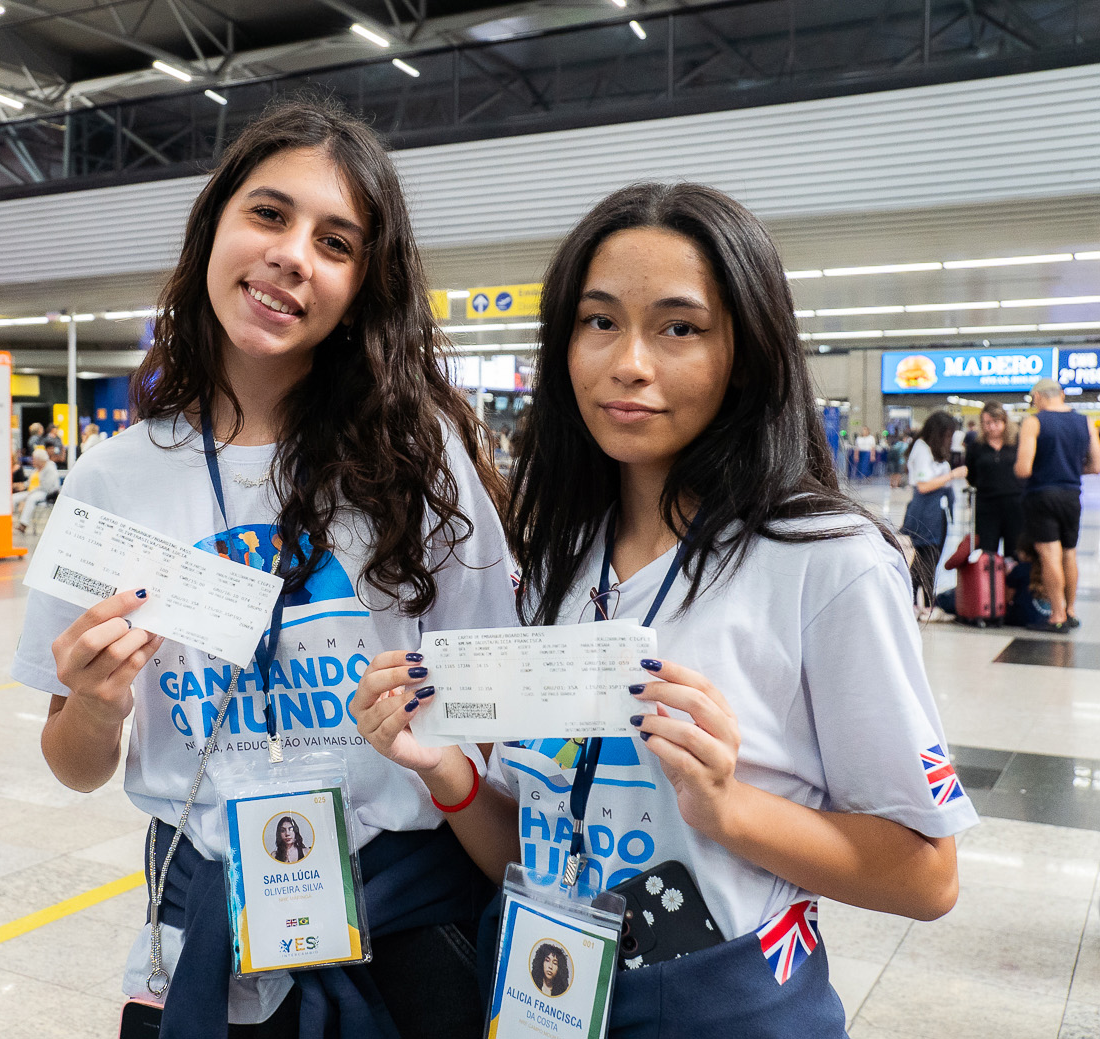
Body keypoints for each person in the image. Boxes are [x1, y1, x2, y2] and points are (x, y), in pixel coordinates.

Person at [356, 183, 973, 1037]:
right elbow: (527, 853)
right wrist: (446, 772)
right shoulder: (556, 567)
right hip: (544, 993)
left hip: (724, 1005)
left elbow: (925, 875)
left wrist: (726, 807)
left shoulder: (826, 562)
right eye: (598, 321)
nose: (628, 362)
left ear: (745, 351)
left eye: (679, 327)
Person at [10, 96, 518, 1039]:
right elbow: (75, 765)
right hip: (203, 927)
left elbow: (497, 717)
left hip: (412, 932)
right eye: (269, 214)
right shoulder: (114, 480)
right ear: (215, 228)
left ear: (362, 286)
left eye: (337, 242)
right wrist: (97, 704)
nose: (292, 253)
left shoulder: (425, 464)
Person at [1014, 378, 1100, 632]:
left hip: (1042, 496)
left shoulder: (1035, 421)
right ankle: (1071, 611)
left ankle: (1057, 615)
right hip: (1072, 495)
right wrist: (1070, 470)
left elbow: (1023, 468)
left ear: (1038, 397)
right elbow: (1096, 466)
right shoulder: (1085, 422)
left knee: (1050, 555)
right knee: (1069, 553)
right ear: (1061, 395)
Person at [901, 412, 966, 616]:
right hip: (925, 509)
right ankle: (925, 604)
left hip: (938, 508)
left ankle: (917, 602)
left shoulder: (931, 450)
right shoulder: (921, 449)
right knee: (928, 556)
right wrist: (953, 474)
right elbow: (923, 485)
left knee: (929, 557)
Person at [963, 402, 1023, 557]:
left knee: (1015, 553)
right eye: (987, 423)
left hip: (1015, 504)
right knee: (986, 552)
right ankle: (989, 581)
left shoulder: (1016, 443)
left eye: (996, 423)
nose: (992, 427)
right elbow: (971, 474)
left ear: (1004, 422)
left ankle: (1012, 581)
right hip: (986, 505)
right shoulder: (976, 446)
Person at [11, 446, 61, 533]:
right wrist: (22, 485)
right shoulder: (36, 469)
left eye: (34, 459)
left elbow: (47, 487)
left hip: (46, 493)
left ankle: (23, 524)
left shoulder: (50, 469)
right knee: (13, 498)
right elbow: (30, 482)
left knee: (31, 499)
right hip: (31, 491)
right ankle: (8, 520)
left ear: (39, 459)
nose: (32, 461)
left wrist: (30, 492)